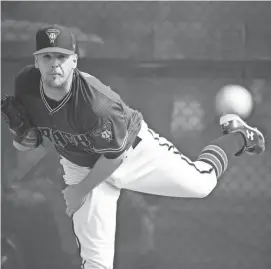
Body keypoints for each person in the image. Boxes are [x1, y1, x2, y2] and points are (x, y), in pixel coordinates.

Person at [7, 24, 265, 269]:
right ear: (36, 60)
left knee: (202, 184)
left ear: (74, 61)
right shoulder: (26, 85)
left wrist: (80, 190)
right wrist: (23, 138)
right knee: (96, 261)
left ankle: (238, 136)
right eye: (47, 56)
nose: (54, 64)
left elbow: (113, 159)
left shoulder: (96, 104)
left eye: (61, 57)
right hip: (81, 163)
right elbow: (28, 141)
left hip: (131, 154)